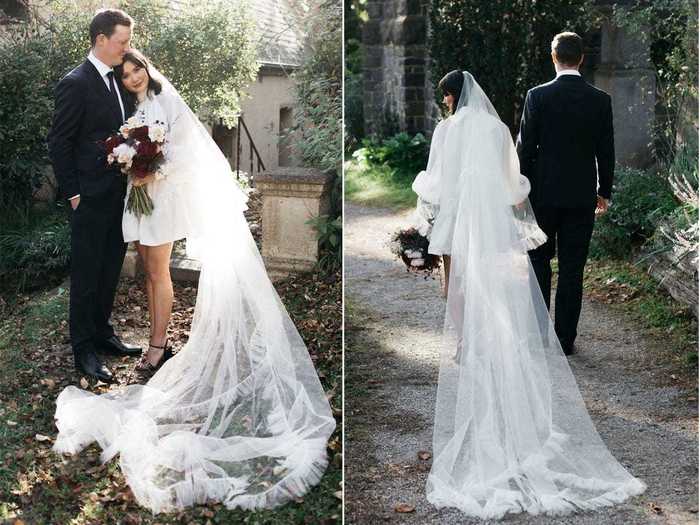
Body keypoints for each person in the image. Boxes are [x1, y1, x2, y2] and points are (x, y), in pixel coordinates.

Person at [52, 48, 336, 513]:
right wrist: (131, 163)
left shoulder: (165, 104)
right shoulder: (136, 108)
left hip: (159, 200)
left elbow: (186, 154)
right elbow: (129, 147)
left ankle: (159, 347)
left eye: (137, 68)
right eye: (125, 73)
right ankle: (154, 339)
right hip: (140, 200)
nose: (133, 76)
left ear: (147, 68)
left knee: (158, 272)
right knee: (148, 273)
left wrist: (148, 169)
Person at [414, 70, 645, 519]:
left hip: (459, 212)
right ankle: (501, 334)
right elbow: (512, 175)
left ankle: (465, 341)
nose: (443, 104)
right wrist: (515, 197)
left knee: (456, 274)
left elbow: (437, 179)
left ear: (450, 96)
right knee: (497, 275)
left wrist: (425, 199)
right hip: (493, 214)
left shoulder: (446, 129)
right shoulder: (498, 128)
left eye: (443, 97)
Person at [48, 8, 142, 384]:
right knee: (86, 274)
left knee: (109, 269)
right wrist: (72, 194)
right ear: (101, 40)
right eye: (122, 41)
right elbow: (59, 142)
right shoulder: (76, 82)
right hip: (87, 197)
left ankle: (103, 333)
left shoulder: (120, 79)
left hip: (121, 194)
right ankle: (83, 347)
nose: (127, 48)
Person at [517, 31, 615, 355]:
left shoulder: (537, 96)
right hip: (581, 197)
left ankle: (539, 337)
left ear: (553, 56)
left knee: (539, 261)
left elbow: (525, 149)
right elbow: (606, 151)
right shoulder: (600, 100)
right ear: (582, 59)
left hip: (543, 195)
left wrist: (521, 190)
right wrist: (604, 191)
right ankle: (565, 340)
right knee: (573, 268)